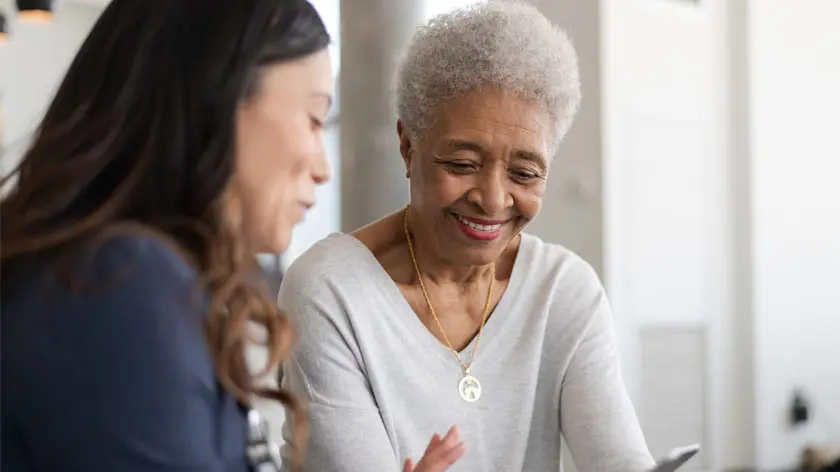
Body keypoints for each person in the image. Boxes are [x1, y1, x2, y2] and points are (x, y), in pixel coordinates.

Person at [277, 1, 657, 471]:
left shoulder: (564, 292)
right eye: (461, 165)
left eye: (524, 172)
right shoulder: (331, 291)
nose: (494, 199)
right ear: (408, 145)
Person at [0, 1, 343, 470]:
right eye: (314, 119)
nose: (324, 168)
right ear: (219, 98)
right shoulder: (118, 283)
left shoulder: (121, 275)